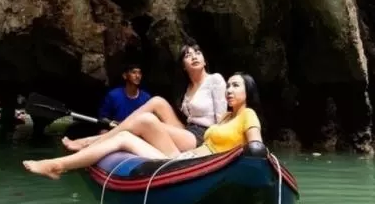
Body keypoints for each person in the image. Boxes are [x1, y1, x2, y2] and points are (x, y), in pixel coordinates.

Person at [23, 73, 262, 180]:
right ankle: (58, 166)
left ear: (248, 92)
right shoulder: (224, 119)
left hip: (199, 165)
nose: (229, 90)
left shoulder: (247, 114)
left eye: (235, 86)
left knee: (144, 123)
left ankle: (60, 163)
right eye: (228, 86)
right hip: (184, 159)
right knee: (123, 137)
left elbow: (255, 144)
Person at [62, 44, 226, 153]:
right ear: (183, 65)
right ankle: (100, 138)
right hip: (188, 129)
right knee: (157, 102)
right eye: (188, 55)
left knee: (146, 123)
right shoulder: (187, 87)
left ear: (205, 60)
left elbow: (222, 118)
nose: (194, 56)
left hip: (203, 136)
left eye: (198, 53)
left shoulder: (215, 80)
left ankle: (90, 142)